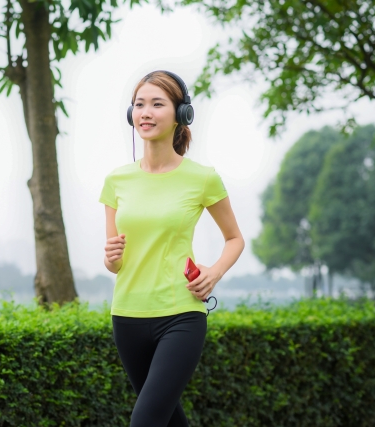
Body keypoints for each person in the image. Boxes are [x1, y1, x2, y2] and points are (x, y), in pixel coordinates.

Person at [99, 70, 244, 427]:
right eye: (139, 105)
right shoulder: (117, 180)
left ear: (181, 114)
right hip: (127, 315)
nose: (145, 112)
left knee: (145, 421)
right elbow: (114, 264)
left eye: (157, 104)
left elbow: (234, 238)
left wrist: (214, 271)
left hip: (180, 315)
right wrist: (110, 258)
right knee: (168, 420)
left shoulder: (202, 178)